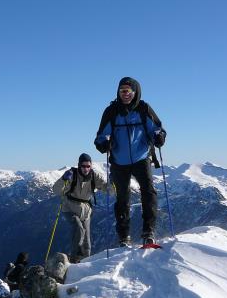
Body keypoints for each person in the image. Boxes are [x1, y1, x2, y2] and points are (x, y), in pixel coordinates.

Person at [94, 76, 166, 247]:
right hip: (119, 161)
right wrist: (103, 144)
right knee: (122, 199)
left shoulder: (144, 109)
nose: (125, 94)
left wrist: (159, 137)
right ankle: (123, 236)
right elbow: (100, 137)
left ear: (135, 92)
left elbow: (157, 129)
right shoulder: (111, 111)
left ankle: (148, 231)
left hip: (142, 158)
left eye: (128, 90)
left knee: (148, 192)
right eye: (122, 91)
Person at [52, 153, 111, 263]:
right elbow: (56, 190)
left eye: (88, 166)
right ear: (79, 165)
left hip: (86, 212)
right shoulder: (72, 175)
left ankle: (86, 263)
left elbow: (105, 188)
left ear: (91, 166)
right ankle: (74, 258)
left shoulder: (94, 176)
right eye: (83, 166)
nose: (86, 169)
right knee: (78, 228)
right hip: (69, 208)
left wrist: (113, 183)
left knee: (87, 242)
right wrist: (63, 179)